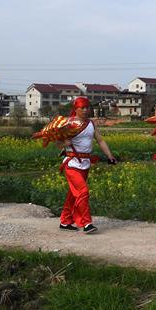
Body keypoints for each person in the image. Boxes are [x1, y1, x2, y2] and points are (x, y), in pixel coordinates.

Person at [57, 97, 116, 234]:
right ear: (75, 109)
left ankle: (65, 221)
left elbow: (100, 141)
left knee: (73, 194)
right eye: (82, 108)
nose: (85, 110)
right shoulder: (67, 123)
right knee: (83, 192)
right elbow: (58, 143)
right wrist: (63, 144)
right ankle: (86, 223)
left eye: (87, 107)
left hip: (85, 163)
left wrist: (110, 156)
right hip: (71, 163)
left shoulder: (91, 124)